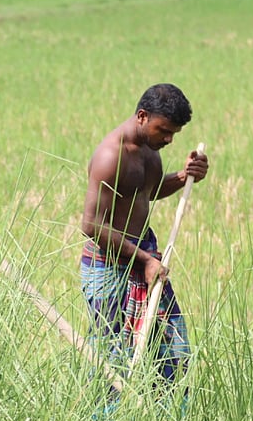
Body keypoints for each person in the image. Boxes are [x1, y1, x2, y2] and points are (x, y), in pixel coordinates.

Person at [79, 83, 209, 387]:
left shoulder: (150, 151)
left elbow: (145, 193)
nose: (168, 139)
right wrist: (144, 259)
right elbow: (91, 224)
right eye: (163, 130)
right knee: (112, 356)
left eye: (174, 134)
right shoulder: (111, 156)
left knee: (172, 348)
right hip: (109, 264)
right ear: (141, 116)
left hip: (144, 257)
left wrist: (184, 175)